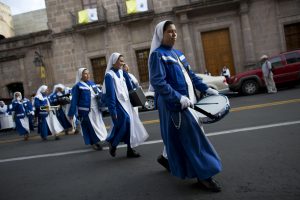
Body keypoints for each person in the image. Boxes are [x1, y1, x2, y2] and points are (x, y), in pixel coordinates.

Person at [149, 20, 222, 192]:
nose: (174, 34)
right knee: (194, 139)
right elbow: (158, 82)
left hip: (189, 103)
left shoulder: (178, 54)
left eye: (175, 31)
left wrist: (206, 89)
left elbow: (191, 76)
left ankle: (168, 160)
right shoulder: (158, 55)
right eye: (169, 31)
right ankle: (204, 176)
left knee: (181, 138)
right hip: (175, 105)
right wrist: (177, 97)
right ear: (161, 34)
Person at [103, 52, 149, 158]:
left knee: (131, 126)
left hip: (127, 103)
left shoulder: (122, 72)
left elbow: (130, 86)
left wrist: (126, 73)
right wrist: (113, 111)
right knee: (125, 123)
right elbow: (110, 95)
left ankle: (130, 149)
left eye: (123, 61)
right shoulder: (109, 75)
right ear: (114, 62)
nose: (123, 63)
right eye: (120, 61)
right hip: (118, 104)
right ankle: (113, 144)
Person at [68, 68, 108, 150]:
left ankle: (101, 139)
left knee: (99, 125)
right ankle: (95, 142)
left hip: (96, 109)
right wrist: (71, 113)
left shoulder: (92, 83)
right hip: (86, 111)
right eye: (85, 74)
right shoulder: (77, 86)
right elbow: (74, 101)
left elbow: (99, 93)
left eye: (88, 73)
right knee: (91, 127)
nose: (88, 75)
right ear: (80, 75)